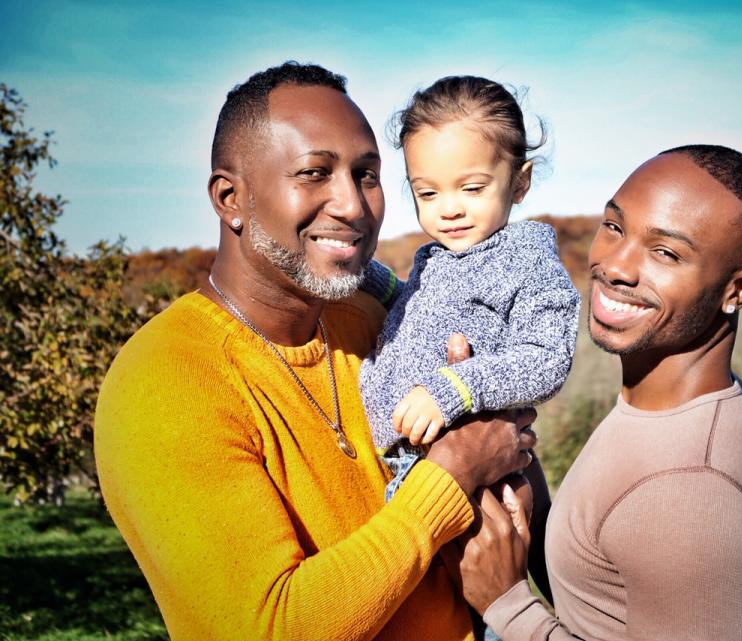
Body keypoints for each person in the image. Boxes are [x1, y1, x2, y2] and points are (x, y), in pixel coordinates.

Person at [94, 62, 538, 641]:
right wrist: (448, 477)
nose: (352, 205)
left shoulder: (372, 316)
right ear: (231, 198)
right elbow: (270, 628)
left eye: (368, 175)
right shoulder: (165, 380)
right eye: (314, 173)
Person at [459, 145, 742, 641]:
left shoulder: (692, 487)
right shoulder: (669, 405)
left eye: (666, 253)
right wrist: (515, 455)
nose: (615, 266)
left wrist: (508, 607)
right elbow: (604, 584)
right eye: (614, 227)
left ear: (737, 291)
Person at [358, 75, 579, 501]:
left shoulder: (526, 258)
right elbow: (423, 308)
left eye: (472, 188)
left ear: (519, 182)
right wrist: (366, 276)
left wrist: (454, 389)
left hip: (466, 470)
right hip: (403, 462)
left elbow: (545, 359)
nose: (450, 208)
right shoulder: (437, 256)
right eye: (428, 192)